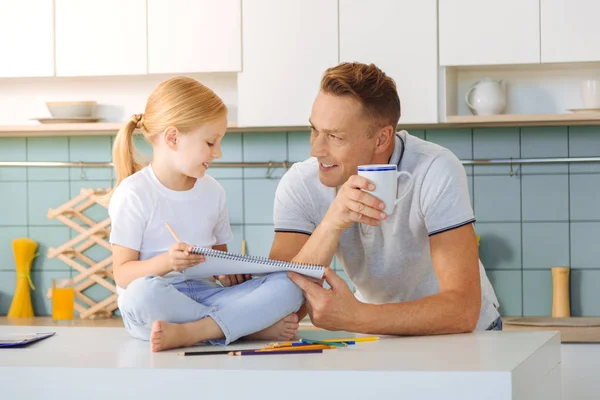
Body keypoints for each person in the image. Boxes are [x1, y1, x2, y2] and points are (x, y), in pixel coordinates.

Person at [270, 62, 501, 335]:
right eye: (314, 130)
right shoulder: (300, 183)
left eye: (334, 136)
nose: (316, 149)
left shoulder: (434, 168)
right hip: (379, 334)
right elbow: (278, 308)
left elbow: (462, 312)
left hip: (461, 337)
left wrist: (357, 317)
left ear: (381, 139)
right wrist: (331, 225)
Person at [108, 76, 304, 352]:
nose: (218, 152)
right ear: (173, 138)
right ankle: (242, 328)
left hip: (207, 296)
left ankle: (197, 331)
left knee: (290, 285)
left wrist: (229, 274)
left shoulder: (213, 191)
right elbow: (123, 275)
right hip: (159, 301)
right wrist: (168, 262)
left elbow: (219, 263)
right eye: (211, 143)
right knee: (141, 295)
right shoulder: (134, 193)